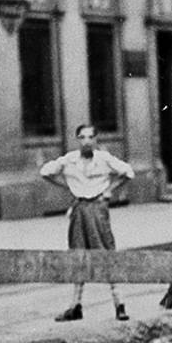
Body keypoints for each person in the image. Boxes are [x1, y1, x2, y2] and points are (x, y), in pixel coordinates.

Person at [41, 123, 134, 322]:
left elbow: (128, 172)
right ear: (77, 140)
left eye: (90, 137)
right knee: (78, 255)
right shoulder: (69, 160)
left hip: (98, 209)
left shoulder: (104, 158)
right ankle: (75, 306)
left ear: (96, 139)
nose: (86, 141)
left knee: (106, 253)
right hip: (79, 209)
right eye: (82, 137)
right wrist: (66, 186)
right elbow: (45, 172)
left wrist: (109, 191)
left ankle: (120, 304)